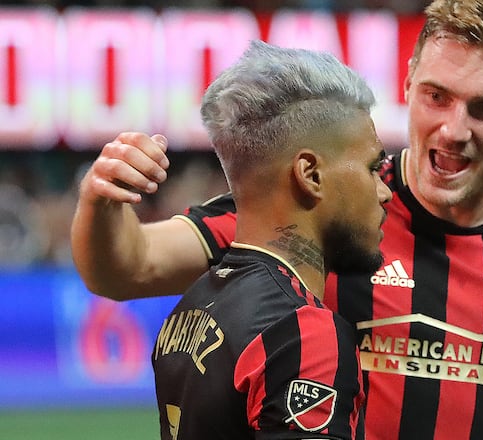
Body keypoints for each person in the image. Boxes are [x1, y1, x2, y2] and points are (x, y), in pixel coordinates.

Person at [71, 0, 483, 438]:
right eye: (437, 96)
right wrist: (104, 195)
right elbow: (127, 268)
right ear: (408, 81)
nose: (454, 130)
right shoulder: (324, 205)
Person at [146, 40, 391, 439]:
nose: (384, 191)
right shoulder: (304, 332)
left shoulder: (188, 310)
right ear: (310, 175)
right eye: (372, 167)